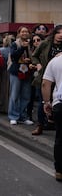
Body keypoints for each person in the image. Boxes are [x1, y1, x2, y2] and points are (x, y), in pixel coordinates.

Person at [32, 25, 62, 133]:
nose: (60, 35)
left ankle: (52, 123)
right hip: (45, 76)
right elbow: (34, 55)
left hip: (59, 79)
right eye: (58, 33)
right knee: (43, 101)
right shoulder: (45, 43)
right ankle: (40, 125)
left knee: (57, 102)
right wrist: (38, 64)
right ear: (54, 33)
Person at [41, 53, 62, 182]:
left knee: (60, 138)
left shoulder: (56, 60)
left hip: (60, 103)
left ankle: (59, 170)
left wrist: (47, 102)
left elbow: (45, 84)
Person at [7, 26, 34, 125]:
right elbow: (13, 56)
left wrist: (30, 61)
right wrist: (22, 47)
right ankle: (13, 116)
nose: (24, 33)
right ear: (19, 33)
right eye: (22, 32)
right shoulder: (15, 44)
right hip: (16, 71)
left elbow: (34, 56)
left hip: (28, 72)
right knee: (15, 95)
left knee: (26, 95)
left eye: (26, 31)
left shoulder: (31, 44)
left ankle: (23, 116)